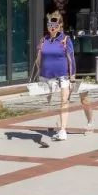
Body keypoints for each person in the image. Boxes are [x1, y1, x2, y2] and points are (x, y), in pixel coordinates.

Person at [34, 13, 77, 141]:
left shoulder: (65, 40)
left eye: (55, 25)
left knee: (64, 101)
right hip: (47, 77)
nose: (52, 28)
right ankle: (57, 124)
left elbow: (71, 59)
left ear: (60, 26)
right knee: (48, 102)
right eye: (49, 25)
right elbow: (38, 60)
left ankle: (63, 130)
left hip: (63, 76)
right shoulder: (44, 40)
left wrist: (72, 78)